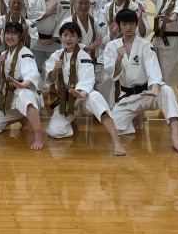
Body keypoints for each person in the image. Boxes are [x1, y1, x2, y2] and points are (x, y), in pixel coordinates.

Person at [104, 9, 178, 155]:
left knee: (167, 91)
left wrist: (155, 89)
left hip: (148, 92)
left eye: (132, 24)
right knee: (116, 128)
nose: (128, 27)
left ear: (136, 24)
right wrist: (118, 59)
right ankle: (137, 115)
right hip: (128, 95)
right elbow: (113, 74)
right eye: (124, 24)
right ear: (119, 25)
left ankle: (176, 139)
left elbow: (153, 69)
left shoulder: (145, 45)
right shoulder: (112, 46)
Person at [44, 22, 125, 155]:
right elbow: (50, 80)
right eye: (65, 35)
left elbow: (87, 79)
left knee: (96, 99)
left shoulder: (84, 56)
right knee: (55, 132)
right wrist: (55, 70)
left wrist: (81, 93)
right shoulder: (56, 56)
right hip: (65, 99)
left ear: (79, 38)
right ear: (60, 37)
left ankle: (117, 141)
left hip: (83, 95)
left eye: (72, 35)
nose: (68, 39)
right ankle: (72, 122)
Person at [0, 22, 45, 151]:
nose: (9, 36)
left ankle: (38, 135)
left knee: (25, 95)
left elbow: (32, 73)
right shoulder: (3, 54)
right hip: (9, 96)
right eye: (7, 33)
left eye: (13, 33)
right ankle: (21, 117)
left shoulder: (25, 53)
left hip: (25, 92)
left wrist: (22, 84)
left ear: (20, 36)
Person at [61, 0, 111, 106]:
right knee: (76, 86)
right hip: (73, 63)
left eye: (86, 3)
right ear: (74, 5)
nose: (83, 6)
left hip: (93, 62)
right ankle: (76, 107)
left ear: (90, 5)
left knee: (107, 79)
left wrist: (112, 34)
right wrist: (87, 48)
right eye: (80, 3)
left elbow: (103, 43)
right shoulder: (67, 23)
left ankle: (105, 108)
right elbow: (66, 44)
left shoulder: (97, 22)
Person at [26, 0, 70, 75]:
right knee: (35, 70)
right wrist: (47, 14)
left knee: (53, 71)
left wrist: (54, 38)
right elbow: (30, 16)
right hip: (37, 40)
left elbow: (64, 20)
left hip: (55, 42)